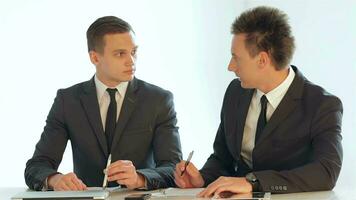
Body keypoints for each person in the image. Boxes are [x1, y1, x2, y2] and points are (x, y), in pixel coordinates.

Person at [174, 6, 343, 197]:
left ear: (262, 60)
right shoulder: (235, 92)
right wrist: (202, 178)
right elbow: (223, 159)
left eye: (236, 58)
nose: (230, 67)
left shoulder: (322, 105)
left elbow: (326, 172)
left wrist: (253, 183)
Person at [25, 16, 182, 191]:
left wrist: (140, 178)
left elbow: (173, 168)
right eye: (120, 53)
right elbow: (36, 166)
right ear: (95, 58)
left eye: (134, 51)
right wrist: (55, 179)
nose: (131, 61)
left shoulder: (158, 100)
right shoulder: (68, 101)